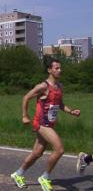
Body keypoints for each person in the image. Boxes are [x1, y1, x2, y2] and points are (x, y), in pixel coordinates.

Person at [11, 58, 81, 190]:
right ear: (49, 70)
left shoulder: (59, 86)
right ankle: (45, 177)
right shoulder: (43, 86)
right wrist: (25, 116)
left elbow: (59, 104)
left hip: (50, 124)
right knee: (59, 149)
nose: (60, 70)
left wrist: (72, 111)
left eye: (60, 68)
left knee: (37, 153)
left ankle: (18, 174)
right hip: (42, 124)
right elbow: (26, 97)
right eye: (57, 68)